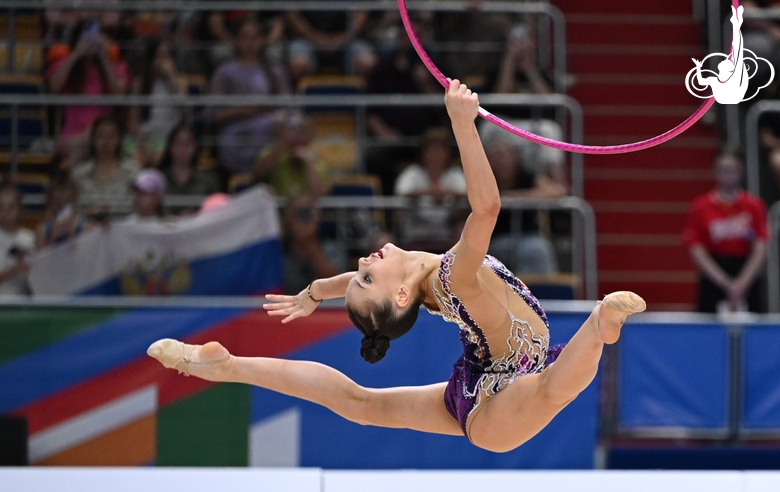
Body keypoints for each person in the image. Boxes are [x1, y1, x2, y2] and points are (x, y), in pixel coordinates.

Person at [147, 80, 646, 452]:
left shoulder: (421, 282)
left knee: (362, 404)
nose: (363, 262)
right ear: (401, 298)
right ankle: (601, 322)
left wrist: (320, 289)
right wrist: (460, 124)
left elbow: (360, 287)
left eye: (359, 273)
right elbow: (487, 209)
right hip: (504, 403)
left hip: (478, 383)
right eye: (367, 277)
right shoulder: (452, 278)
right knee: (553, 387)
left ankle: (228, 366)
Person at [683, 153, 769, 313]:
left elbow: (760, 246)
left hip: (745, 270)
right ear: (715, 172)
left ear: (741, 171)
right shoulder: (701, 206)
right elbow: (696, 248)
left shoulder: (754, 205)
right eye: (723, 170)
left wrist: (742, 283)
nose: (728, 175)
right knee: (708, 329)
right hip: (714, 273)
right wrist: (724, 282)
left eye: (732, 170)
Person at [207, 17, 293, 174]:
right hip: (237, 134)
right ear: (237, 40)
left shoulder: (275, 71)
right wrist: (243, 111)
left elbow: (289, 108)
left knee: (284, 123)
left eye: (255, 37)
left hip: (269, 130)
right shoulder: (225, 71)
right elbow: (212, 115)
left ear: (263, 39)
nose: (250, 42)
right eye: (245, 37)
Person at [47, 18, 132, 167]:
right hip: (72, 136)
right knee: (86, 141)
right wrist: (76, 54)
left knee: (94, 138)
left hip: (106, 135)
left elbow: (120, 92)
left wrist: (104, 56)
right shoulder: (67, 66)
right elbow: (54, 86)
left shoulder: (115, 67)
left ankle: (65, 176)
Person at [484, 140, 565, 274]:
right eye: (496, 158)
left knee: (538, 250)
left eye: (505, 157)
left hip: (529, 236)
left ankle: (541, 293)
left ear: (514, 159)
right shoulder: (485, 179)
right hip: (495, 239)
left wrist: (514, 197)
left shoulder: (525, 176)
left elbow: (557, 190)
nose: (501, 163)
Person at [393, 127, 466, 249]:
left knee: (464, 228)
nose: (436, 155)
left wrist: (446, 193)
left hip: (447, 233)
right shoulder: (413, 173)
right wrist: (429, 192)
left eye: (440, 150)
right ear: (423, 152)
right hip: (416, 233)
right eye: (431, 150)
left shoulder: (455, 174)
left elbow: (467, 194)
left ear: (448, 152)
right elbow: (402, 192)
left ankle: (462, 265)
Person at [127, 38, 189, 167]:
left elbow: (184, 107)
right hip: (143, 139)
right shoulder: (140, 83)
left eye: (166, 56)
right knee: (136, 158)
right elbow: (133, 121)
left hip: (168, 140)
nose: (162, 62)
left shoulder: (180, 81)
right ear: (151, 59)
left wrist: (171, 76)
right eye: (159, 56)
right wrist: (143, 146)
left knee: (159, 158)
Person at [72, 117, 140, 218]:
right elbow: (73, 211)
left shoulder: (134, 171)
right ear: (93, 139)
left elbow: (140, 208)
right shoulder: (79, 174)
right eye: (101, 136)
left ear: (120, 139)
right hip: (88, 228)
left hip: (125, 228)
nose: (106, 141)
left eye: (111, 136)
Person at [282, 194, 347, 295]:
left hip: (327, 307)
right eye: (298, 213)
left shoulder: (333, 248)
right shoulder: (278, 253)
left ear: (318, 217)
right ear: (288, 219)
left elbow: (337, 284)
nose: (303, 218)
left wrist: (313, 250)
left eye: (307, 212)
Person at [253, 115, 327, 198]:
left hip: (306, 209)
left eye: (304, 132)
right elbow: (258, 177)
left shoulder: (317, 159)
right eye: (295, 132)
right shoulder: (271, 154)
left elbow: (319, 194)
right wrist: (282, 144)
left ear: (310, 136)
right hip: (275, 209)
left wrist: (307, 163)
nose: (299, 137)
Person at [159, 125, 221, 215]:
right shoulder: (158, 179)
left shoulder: (209, 180)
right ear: (170, 147)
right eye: (178, 143)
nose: (182, 149)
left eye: (187, 144)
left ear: (195, 147)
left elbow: (219, 210)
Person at [36, 172, 90, 249]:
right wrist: (52, 238)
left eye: (67, 201)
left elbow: (89, 256)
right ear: (50, 202)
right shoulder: (42, 231)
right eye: (58, 202)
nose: (62, 206)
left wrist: (73, 235)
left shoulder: (86, 227)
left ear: (74, 200)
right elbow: (40, 259)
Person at [0, 188, 35, 295]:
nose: (6, 213)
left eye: (10, 208)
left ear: (19, 210)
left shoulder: (29, 237)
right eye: (1, 208)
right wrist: (13, 271)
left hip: (23, 301)